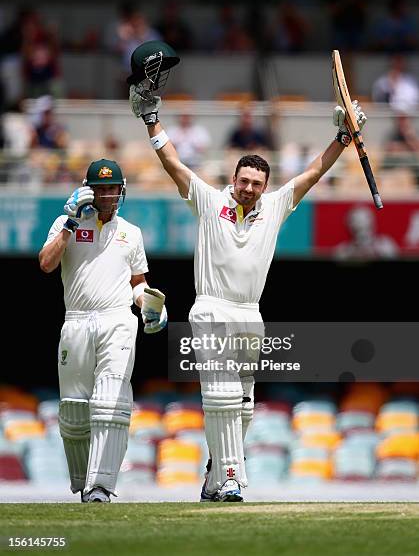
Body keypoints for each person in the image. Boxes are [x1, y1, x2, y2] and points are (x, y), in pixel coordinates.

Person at [128, 43, 366, 503]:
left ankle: (217, 475)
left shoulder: (275, 206)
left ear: (264, 185)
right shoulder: (210, 200)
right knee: (218, 396)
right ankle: (235, 475)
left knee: (242, 406)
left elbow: (314, 172)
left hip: (249, 314)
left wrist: (343, 137)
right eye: (243, 181)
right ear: (232, 179)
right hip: (211, 308)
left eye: (257, 183)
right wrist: (151, 121)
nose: (249, 188)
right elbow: (174, 164)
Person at [38, 158, 167, 502]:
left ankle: (101, 487)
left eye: (113, 188)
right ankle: (84, 484)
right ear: (88, 190)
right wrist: (69, 223)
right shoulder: (66, 223)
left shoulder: (131, 233)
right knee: (75, 410)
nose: (107, 195)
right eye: (101, 188)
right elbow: (46, 264)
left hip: (117, 320)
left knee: (111, 403)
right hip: (77, 320)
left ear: (121, 191)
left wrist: (151, 305)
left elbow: (138, 283)